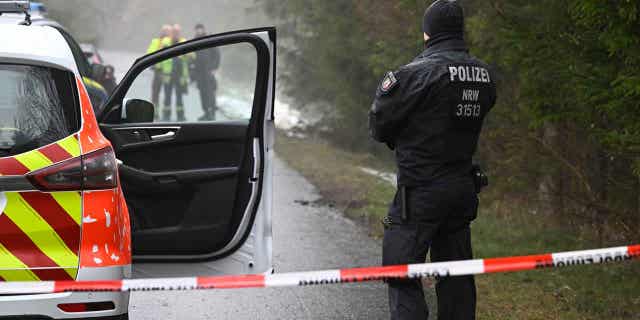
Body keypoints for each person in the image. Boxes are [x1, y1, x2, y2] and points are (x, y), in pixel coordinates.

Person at [368, 1, 497, 319]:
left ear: (427, 32)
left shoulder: (413, 75)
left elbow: (379, 124)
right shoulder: (484, 75)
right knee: (456, 278)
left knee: (401, 271)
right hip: (462, 189)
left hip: (421, 192)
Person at [191, 23, 221, 121]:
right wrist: (192, 74)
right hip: (199, 73)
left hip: (208, 72)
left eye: (200, 29)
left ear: (204, 30)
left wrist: (214, 68)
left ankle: (212, 112)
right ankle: (206, 112)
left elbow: (217, 55)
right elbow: (191, 58)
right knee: (202, 93)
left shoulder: (209, 40)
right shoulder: (194, 42)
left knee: (210, 93)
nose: (199, 31)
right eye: (197, 29)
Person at [161, 24, 190, 121]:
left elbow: (191, 56)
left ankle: (180, 115)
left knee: (179, 96)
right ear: (171, 32)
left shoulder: (184, 42)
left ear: (180, 33)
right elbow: (160, 57)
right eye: (174, 32)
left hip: (180, 75)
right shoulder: (166, 42)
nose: (176, 34)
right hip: (168, 74)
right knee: (167, 96)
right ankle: (166, 115)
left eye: (177, 32)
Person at [147, 25, 172, 113]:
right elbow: (149, 53)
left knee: (168, 92)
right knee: (155, 91)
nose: (165, 33)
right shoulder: (156, 42)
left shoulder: (173, 42)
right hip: (158, 71)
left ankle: (166, 111)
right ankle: (155, 110)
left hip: (169, 72)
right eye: (164, 31)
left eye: (167, 31)